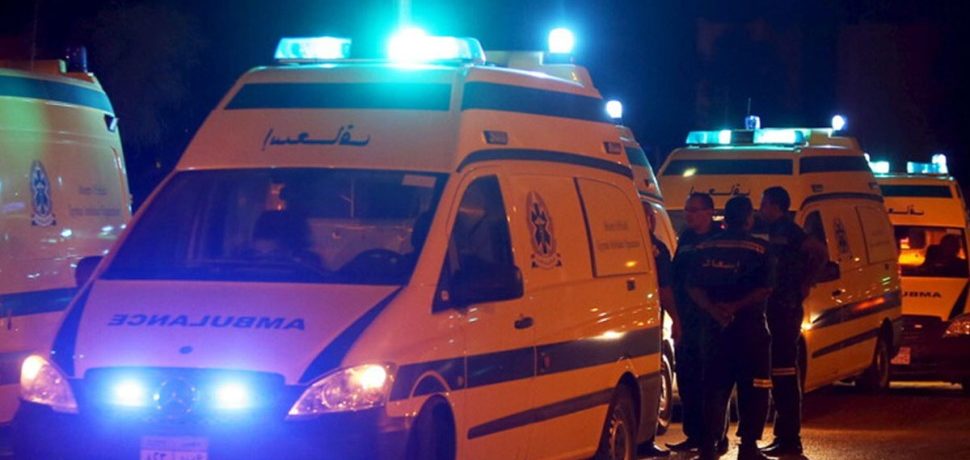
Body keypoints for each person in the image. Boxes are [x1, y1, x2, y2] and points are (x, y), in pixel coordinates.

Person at [686, 196, 773, 460]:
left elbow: (692, 287)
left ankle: (708, 445)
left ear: (724, 218)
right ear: (748, 219)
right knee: (754, 388)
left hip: (715, 330)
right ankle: (748, 446)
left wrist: (714, 310)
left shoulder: (705, 248)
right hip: (749, 329)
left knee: (713, 387)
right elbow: (765, 288)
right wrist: (735, 307)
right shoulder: (760, 250)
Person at [758, 187, 826, 457]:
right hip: (774, 307)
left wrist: (806, 283)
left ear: (776, 206)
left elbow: (820, 253)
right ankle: (782, 435)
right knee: (777, 373)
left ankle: (790, 439)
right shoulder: (769, 230)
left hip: (785, 309)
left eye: (764, 203)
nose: (761, 208)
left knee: (785, 373)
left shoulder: (791, 231)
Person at [668, 192, 728, 455]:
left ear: (709, 212)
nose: (688, 215)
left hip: (711, 321)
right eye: (687, 210)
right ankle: (693, 435)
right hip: (687, 319)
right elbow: (676, 276)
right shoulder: (686, 238)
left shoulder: (720, 239)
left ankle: (715, 436)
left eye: (694, 210)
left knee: (712, 382)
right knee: (688, 378)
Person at [638, 204, 674, 458]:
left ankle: (646, 438)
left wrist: (676, 319)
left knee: (651, 377)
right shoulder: (651, 247)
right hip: (642, 321)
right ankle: (645, 439)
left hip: (649, 322)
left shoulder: (656, 249)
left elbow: (665, 289)